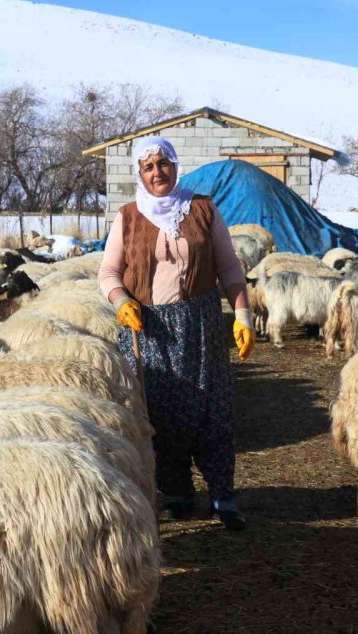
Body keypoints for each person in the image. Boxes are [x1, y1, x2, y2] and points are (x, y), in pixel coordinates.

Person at [98, 136, 255, 531]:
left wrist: (242, 317)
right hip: (149, 328)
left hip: (200, 323)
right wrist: (121, 301)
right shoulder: (129, 216)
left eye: (163, 164)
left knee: (211, 407)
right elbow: (108, 272)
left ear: (175, 165)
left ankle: (223, 494)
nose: (157, 173)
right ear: (140, 173)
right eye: (148, 167)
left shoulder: (202, 209)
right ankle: (178, 492)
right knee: (159, 414)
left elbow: (230, 269)